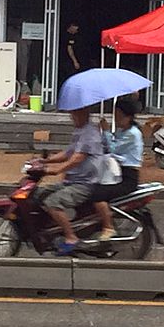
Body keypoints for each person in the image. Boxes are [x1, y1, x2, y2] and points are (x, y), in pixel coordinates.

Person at [37, 107, 103, 255]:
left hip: (84, 183)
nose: (72, 117)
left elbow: (78, 158)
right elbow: (68, 153)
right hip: (72, 181)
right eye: (72, 114)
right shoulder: (80, 131)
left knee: (53, 202)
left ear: (84, 114)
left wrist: (57, 170)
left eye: (75, 113)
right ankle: (53, 229)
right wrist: (45, 161)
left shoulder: (90, 133)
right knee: (38, 194)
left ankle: (71, 237)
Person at [91, 98, 144, 241]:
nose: (116, 118)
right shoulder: (123, 131)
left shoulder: (132, 134)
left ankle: (108, 227)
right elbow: (108, 146)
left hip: (127, 177)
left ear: (129, 116)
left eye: (119, 115)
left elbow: (114, 149)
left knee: (97, 194)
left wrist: (107, 132)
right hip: (116, 174)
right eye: (115, 115)